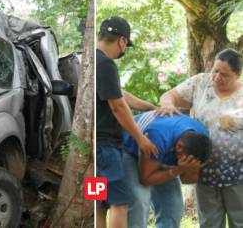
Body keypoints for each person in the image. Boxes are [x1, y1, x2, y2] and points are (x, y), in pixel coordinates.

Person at [158, 48, 243, 228]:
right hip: (203, 170)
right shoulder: (200, 83)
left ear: (237, 75)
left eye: (225, 74)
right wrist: (167, 105)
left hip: (238, 174)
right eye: (215, 70)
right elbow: (170, 95)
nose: (217, 77)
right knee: (209, 223)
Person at [96, 16, 159, 228]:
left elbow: (120, 95)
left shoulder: (90, 60)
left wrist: (150, 107)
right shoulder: (106, 64)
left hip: (91, 147)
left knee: (97, 204)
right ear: (122, 41)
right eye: (126, 45)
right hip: (106, 148)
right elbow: (118, 106)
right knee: (119, 204)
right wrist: (140, 139)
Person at [122, 111, 212, 228]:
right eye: (187, 160)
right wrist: (177, 170)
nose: (188, 163)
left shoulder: (201, 141)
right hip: (128, 149)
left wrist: (190, 169)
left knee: (173, 205)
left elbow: (187, 180)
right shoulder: (159, 135)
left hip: (161, 154)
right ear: (179, 147)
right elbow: (145, 179)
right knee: (140, 200)